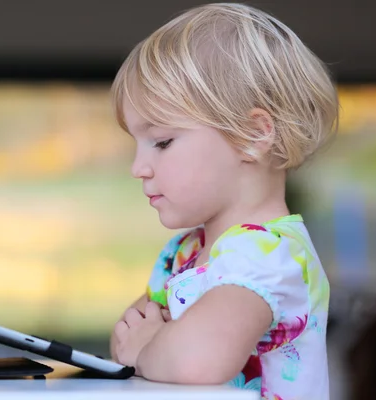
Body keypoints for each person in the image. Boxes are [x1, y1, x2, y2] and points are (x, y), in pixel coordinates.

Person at [108, 3, 338, 399]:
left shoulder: (268, 255)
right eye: (137, 144)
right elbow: (127, 341)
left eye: (162, 142)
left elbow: (192, 361)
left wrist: (148, 346)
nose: (138, 168)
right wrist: (146, 344)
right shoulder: (184, 253)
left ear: (252, 136)